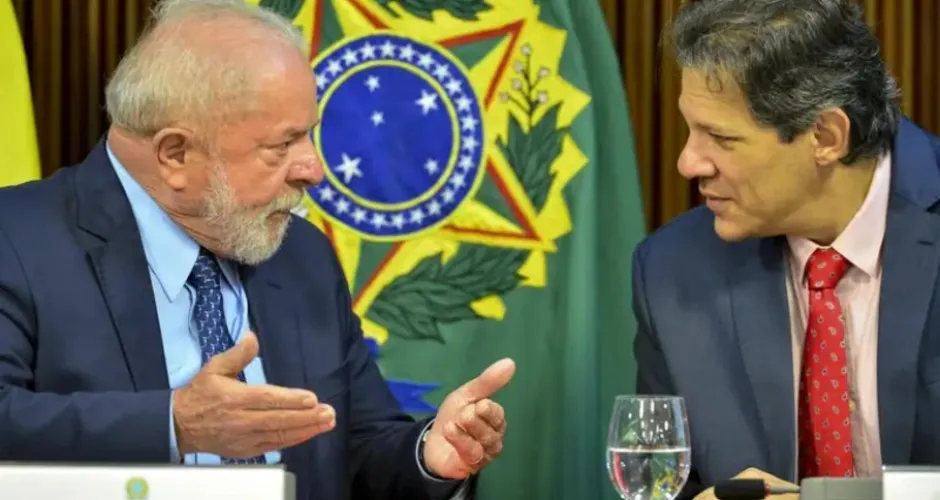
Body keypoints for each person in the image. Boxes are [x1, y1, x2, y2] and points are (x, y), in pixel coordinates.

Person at [0, 1, 515, 499]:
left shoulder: (302, 255)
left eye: (308, 135)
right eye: (281, 145)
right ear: (175, 154)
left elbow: (358, 448)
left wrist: (429, 457)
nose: (313, 169)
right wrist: (174, 425)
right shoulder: (16, 238)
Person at [632, 0, 940, 498]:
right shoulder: (671, 271)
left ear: (826, 136)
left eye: (721, 137)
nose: (688, 163)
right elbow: (663, 487)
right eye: (692, 129)